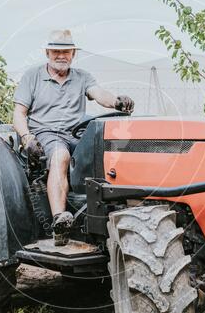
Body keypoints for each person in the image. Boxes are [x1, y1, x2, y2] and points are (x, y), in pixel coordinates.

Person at [13, 29, 134, 245]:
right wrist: (27, 138)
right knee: (60, 156)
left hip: (77, 132)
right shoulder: (32, 77)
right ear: (48, 53)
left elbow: (100, 95)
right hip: (47, 133)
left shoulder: (82, 77)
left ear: (73, 54)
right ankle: (60, 222)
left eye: (66, 51)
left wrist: (117, 101)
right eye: (56, 51)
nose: (61, 56)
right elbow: (19, 114)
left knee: (107, 152)